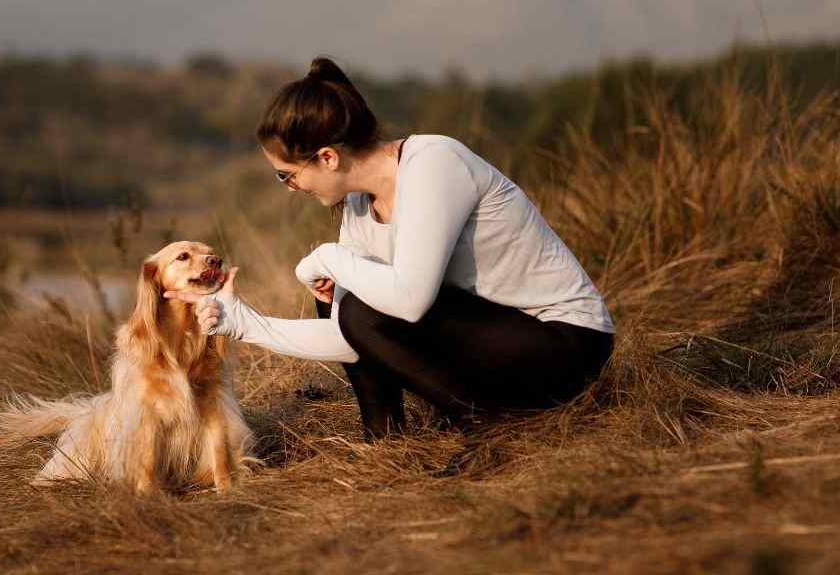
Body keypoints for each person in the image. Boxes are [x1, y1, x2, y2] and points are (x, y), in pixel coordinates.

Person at [165, 57, 615, 439]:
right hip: (497, 338)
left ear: (327, 157)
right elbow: (353, 336)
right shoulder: (358, 207)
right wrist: (245, 323)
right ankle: (386, 437)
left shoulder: (435, 162)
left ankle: (495, 427)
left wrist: (331, 258)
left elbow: (411, 301)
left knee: (357, 294)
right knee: (342, 300)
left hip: (564, 344)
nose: (289, 187)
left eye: (287, 174)